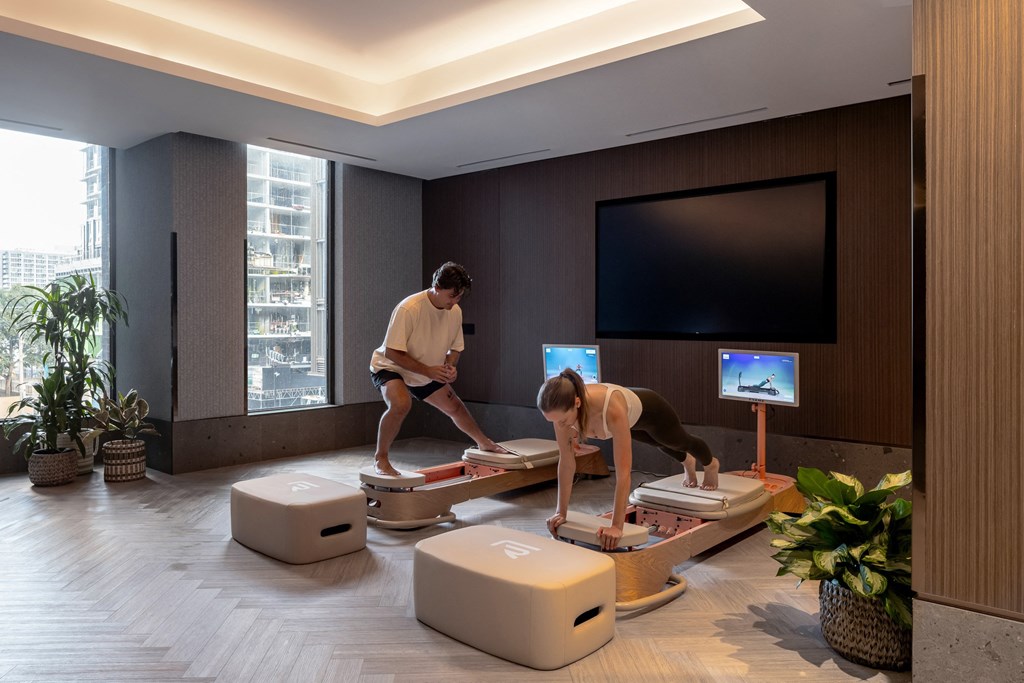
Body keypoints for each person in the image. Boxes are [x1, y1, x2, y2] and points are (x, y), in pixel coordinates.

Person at [537, 369, 720, 550]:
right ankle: (687, 462)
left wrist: (617, 526)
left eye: (562, 420)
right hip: (629, 418)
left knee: (678, 441)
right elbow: (567, 463)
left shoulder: (610, 410)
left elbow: (624, 473)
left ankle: (711, 464)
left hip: (651, 411)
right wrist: (560, 512)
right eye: (553, 421)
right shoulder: (560, 413)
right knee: (660, 444)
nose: (559, 426)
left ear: (577, 403)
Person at [369, 261, 508, 476]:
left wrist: (450, 367)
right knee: (401, 403)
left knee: (456, 407)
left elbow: (456, 348)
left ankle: (484, 443)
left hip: (427, 369)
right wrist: (428, 371)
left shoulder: (455, 312)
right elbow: (392, 352)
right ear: (436, 287)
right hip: (391, 366)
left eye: (459, 296)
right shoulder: (409, 308)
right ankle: (381, 459)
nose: (455, 301)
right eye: (452, 296)